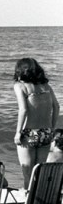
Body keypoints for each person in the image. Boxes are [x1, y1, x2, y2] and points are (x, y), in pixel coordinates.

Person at [13, 58, 59, 188]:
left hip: (29, 132)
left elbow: (23, 110)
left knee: (27, 173)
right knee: (39, 172)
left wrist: (18, 132)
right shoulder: (46, 86)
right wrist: (52, 128)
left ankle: (28, 202)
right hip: (46, 132)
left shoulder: (20, 86)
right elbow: (56, 106)